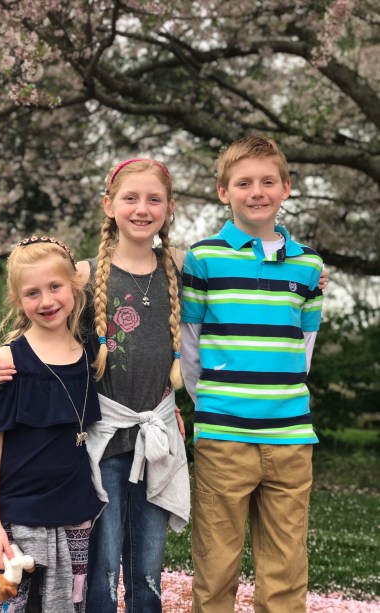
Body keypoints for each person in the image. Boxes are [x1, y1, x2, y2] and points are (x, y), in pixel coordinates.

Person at [0, 158, 191, 613]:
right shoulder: (84, 276)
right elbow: (42, 316)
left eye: (154, 199)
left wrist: (311, 278)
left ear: (170, 207)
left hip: (155, 439)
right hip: (103, 443)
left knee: (148, 573)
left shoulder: (179, 268)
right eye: (130, 198)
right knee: (99, 573)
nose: (142, 208)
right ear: (109, 205)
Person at [181, 136, 324, 613]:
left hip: (290, 437)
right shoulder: (203, 258)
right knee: (216, 566)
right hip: (224, 436)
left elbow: (303, 351)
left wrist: (278, 396)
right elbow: (191, 346)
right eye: (244, 183)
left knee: (286, 568)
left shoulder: (309, 266)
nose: (257, 192)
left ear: (286, 187)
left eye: (267, 181)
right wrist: (215, 403)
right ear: (224, 191)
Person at [0, 236, 103, 613]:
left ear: (74, 287)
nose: (46, 301)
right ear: (17, 300)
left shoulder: (90, 354)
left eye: (55, 286)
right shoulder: (6, 363)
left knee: (68, 605)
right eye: (32, 292)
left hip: (76, 516)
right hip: (19, 519)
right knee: (6, 605)